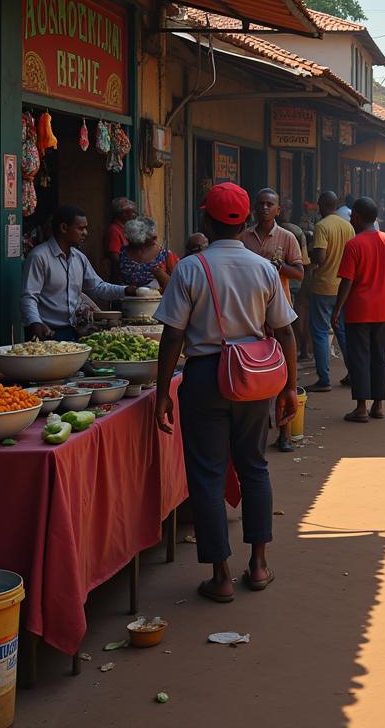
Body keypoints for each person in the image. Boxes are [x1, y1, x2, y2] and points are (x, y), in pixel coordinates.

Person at [154, 181, 298, 603]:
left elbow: (172, 337)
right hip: (254, 378)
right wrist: (289, 386)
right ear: (245, 221)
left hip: (204, 377)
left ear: (206, 219)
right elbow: (285, 332)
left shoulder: (191, 268)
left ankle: (219, 575)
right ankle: (258, 564)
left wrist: (162, 392)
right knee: (254, 467)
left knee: (207, 475)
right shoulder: (263, 269)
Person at [243, 189, 305, 452]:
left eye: (270, 204)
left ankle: (285, 432)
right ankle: (253, 433)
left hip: (279, 312)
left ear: (278, 210)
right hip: (250, 313)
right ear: (254, 208)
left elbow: (300, 273)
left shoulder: (287, 237)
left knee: (283, 373)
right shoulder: (244, 237)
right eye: (261, 204)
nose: (265, 208)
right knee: (254, 373)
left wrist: (277, 267)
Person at [333, 197, 385, 424]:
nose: (351, 219)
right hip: (381, 310)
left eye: (353, 216)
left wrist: (337, 309)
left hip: (358, 311)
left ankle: (361, 407)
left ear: (359, 217)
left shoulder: (354, 245)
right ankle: (378, 405)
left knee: (359, 357)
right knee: (379, 357)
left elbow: (347, 282)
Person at [22, 205, 136, 340]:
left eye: (86, 228)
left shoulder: (79, 258)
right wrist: (36, 323)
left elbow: (98, 287)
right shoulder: (39, 257)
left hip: (75, 330)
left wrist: (126, 290)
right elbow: (29, 296)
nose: (85, 233)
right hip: (48, 332)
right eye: (80, 228)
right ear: (64, 228)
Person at [308, 191, 355, 391]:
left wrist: (309, 251)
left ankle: (324, 379)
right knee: (342, 331)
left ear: (321, 205)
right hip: (343, 287)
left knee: (319, 332)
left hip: (323, 286)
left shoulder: (321, 226)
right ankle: (353, 372)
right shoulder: (348, 226)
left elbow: (320, 257)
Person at [278, 198, 312, 365]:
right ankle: (300, 350)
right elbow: (305, 261)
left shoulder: (294, 232)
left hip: (287, 284)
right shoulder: (296, 232)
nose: (286, 211)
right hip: (293, 283)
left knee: (289, 322)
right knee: (295, 319)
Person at [120, 217, 179, 291]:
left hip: (157, 301)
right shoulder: (122, 253)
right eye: (151, 236)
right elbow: (115, 281)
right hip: (126, 300)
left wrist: (160, 276)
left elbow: (177, 284)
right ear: (139, 240)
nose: (156, 238)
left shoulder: (165, 255)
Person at [103, 197, 137, 282]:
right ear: (122, 213)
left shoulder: (125, 229)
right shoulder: (114, 230)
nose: (134, 215)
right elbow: (115, 259)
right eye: (131, 212)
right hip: (120, 279)